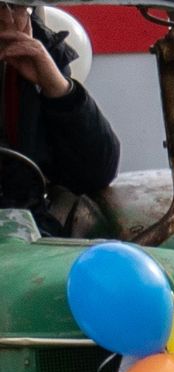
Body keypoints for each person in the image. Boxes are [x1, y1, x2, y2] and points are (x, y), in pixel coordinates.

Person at [1, 3, 116, 238]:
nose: (5, 18)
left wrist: (57, 87)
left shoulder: (40, 51)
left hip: (25, 232)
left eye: (15, 6)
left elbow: (95, 173)